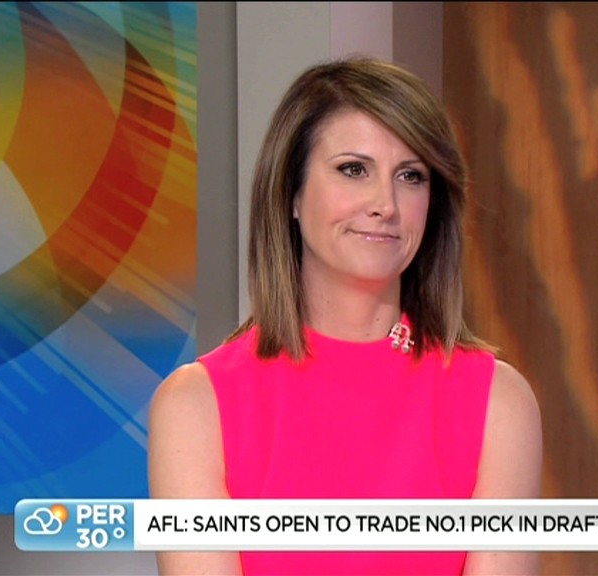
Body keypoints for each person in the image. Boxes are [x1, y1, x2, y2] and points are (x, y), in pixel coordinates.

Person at [148, 57, 543, 575]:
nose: (386, 204)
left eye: (411, 176)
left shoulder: (498, 402)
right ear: (291, 194)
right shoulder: (196, 406)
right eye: (354, 170)